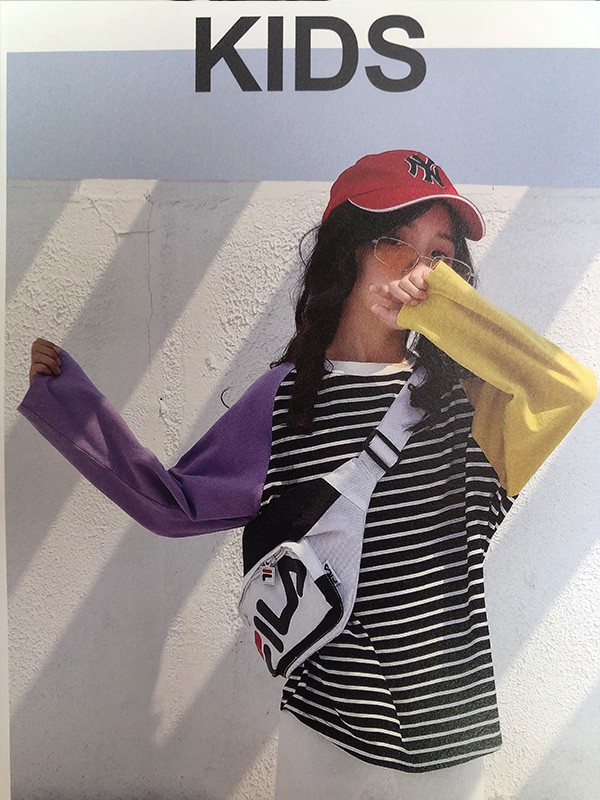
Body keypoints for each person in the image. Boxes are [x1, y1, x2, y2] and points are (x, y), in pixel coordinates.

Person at [21, 150, 596, 800]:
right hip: (326, 730)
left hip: (449, 738)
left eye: (441, 254)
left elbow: (569, 390)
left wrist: (442, 311)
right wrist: (68, 402)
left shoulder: (471, 403)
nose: (420, 269)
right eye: (394, 240)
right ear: (345, 252)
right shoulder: (285, 400)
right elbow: (173, 504)